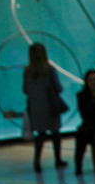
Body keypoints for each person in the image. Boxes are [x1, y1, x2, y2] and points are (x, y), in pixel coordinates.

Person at [23, 43, 67, 173]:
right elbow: (58, 88)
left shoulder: (28, 71)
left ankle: (37, 160)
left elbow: (25, 90)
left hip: (35, 108)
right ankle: (58, 159)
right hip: (50, 106)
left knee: (40, 134)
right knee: (55, 132)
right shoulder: (49, 69)